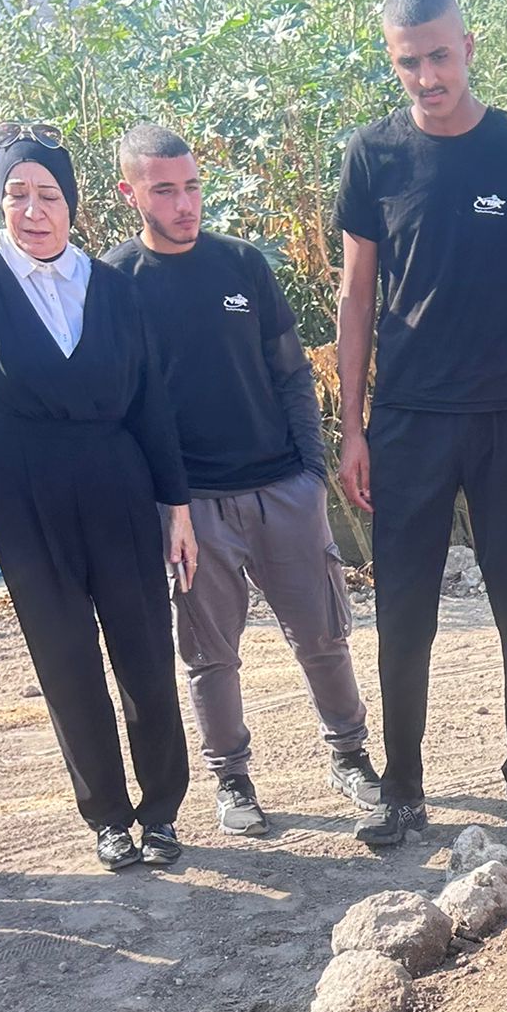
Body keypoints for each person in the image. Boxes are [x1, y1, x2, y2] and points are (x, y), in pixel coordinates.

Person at [335, 0, 507, 847]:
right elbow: (356, 296)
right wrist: (352, 427)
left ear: (468, 48)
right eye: (409, 62)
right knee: (405, 613)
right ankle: (402, 788)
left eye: (440, 56)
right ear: (393, 62)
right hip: (407, 420)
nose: (428, 76)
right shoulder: (373, 156)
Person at [107, 124, 379, 838]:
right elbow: (122, 404)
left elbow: (290, 372)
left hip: (281, 490)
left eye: (192, 187)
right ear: (130, 193)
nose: (184, 204)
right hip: (191, 505)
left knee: (323, 635)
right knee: (209, 655)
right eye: (164, 191)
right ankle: (231, 778)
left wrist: (309, 474)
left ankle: (351, 757)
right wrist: (164, 504)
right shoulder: (116, 282)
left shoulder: (241, 264)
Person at [0, 125, 195, 870]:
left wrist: (177, 507)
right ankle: (107, 816)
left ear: (72, 203)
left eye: (49, 195)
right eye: (17, 195)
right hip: (22, 484)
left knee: (145, 650)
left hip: (117, 478)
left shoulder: (114, 287)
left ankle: (161, 811)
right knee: (66, 658)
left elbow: (152, 404)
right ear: (0, 199)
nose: (33, 211)